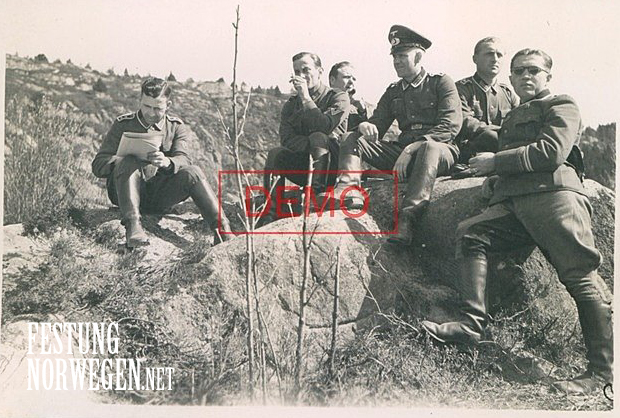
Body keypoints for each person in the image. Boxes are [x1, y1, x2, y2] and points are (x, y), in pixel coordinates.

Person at [421, 49, 613, 395]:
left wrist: (496, 163)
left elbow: (550, 153)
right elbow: (519, 161)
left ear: (547, 76)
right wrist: (497, 180)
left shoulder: (561, 104)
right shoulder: (512, 116)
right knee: (472, 233)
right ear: (510, 78)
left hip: (554, 197)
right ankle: (472, 324)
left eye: (534, 70)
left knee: (580, 278)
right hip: (516, 204)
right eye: (519, 71)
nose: (526, 76)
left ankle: (601, 373)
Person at [332, 25, 462, 245]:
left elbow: (450, 126)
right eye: (394, 57)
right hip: (403, 155)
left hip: (439, 152)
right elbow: (377, 125)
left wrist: (412, 148)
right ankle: (349, 189)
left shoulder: (440, 82)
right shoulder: (393, 91)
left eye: (402, 56)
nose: (397, 61)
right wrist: (365, 125)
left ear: (418, 56)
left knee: (429, 148)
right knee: (352, 138)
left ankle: (407, 219)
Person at [92, 77, 232, 248]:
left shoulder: (175, 127)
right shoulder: (123, 124)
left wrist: (167, 162)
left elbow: (184, 159)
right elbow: (98, 165)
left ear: (168, 105)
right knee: (128, 161)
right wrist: (120, 161)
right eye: (146, 106)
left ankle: (222, 230)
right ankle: (133, 227)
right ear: (140, 101)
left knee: (193, 171)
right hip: (124, 191)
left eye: (157, 108)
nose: (151, 113)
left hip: (159, 195)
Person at [259, 52, 350, 224]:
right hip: (305, 166)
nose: (301, 76)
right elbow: (286, 139)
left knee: (319, 136)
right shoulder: (291, 105)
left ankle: (314, 200)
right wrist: (311, 145)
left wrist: (306, 98)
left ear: (320, 71)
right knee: (275, 153)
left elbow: (324, 126)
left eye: (306, 70)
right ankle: (271, 212)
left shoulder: (337, 97)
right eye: (297, 72)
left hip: (332, 168)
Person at [452, 37, 519, 176]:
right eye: (489, 54)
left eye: (499, 55)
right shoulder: (461, 89)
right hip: (470, 151)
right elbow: (466, 122)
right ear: (475, 59)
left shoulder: (507, 93)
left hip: (501, 148)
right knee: (490, 135)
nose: (495, 59)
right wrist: (502, 132)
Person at [328, 61, 372, 132]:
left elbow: (374, 129)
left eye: (354, 79)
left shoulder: (360, 107)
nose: (351, 82)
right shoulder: (323, 100)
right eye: (346, 77)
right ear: (332, 80)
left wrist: (363, 111)